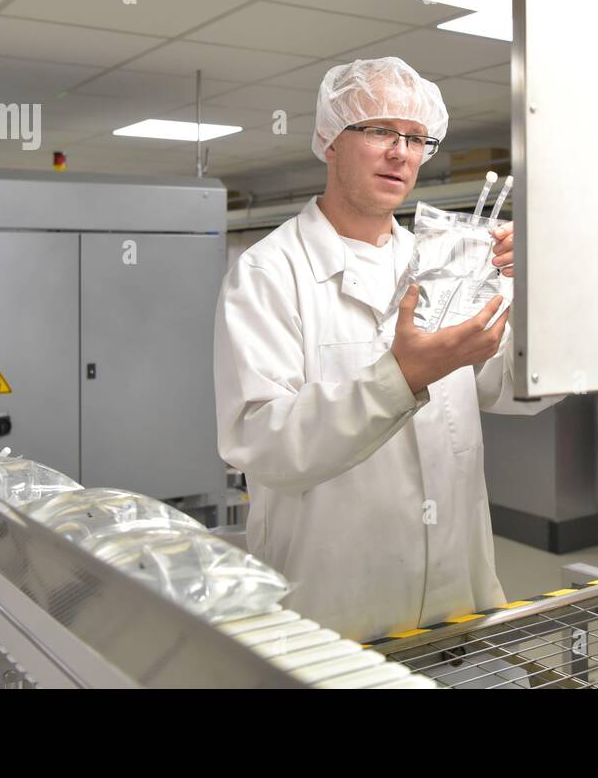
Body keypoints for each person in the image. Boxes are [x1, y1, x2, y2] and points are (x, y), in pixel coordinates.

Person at [214, 57, 555, 643]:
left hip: (457, 603)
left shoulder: (447, 262)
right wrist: (401, 376)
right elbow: (262, 443)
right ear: (330, 139)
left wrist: (543, 292)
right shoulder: (270, 273)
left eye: (416, 137)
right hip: (333, 613)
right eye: (378, 130)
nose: (402, 152)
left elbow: (511, 387)